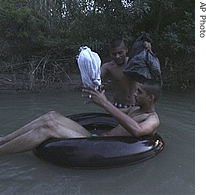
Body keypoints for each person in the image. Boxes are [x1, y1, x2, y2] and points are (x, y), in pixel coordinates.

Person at [0, 82, 161, 156]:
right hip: (94, 138)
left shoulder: (152, 119)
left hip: (98, 147)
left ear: (150, 98)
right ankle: (5, 139)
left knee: (49, 127)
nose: (134, 94)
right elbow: (116, 112)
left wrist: (105, 104)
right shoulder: (134, 109)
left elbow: (138, 130)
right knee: (52, 115)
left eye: (139, 92)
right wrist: (100, 99)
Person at [101, 37, 152, 109]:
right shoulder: (108, 67)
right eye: (114, 54)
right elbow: (96, 78)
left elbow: (151, 65)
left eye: (120, 53)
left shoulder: (134, 62)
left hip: (136, 105)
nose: (117, 56)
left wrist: (149, 50)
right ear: (110, 53)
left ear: (126, 50)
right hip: (118, 105)